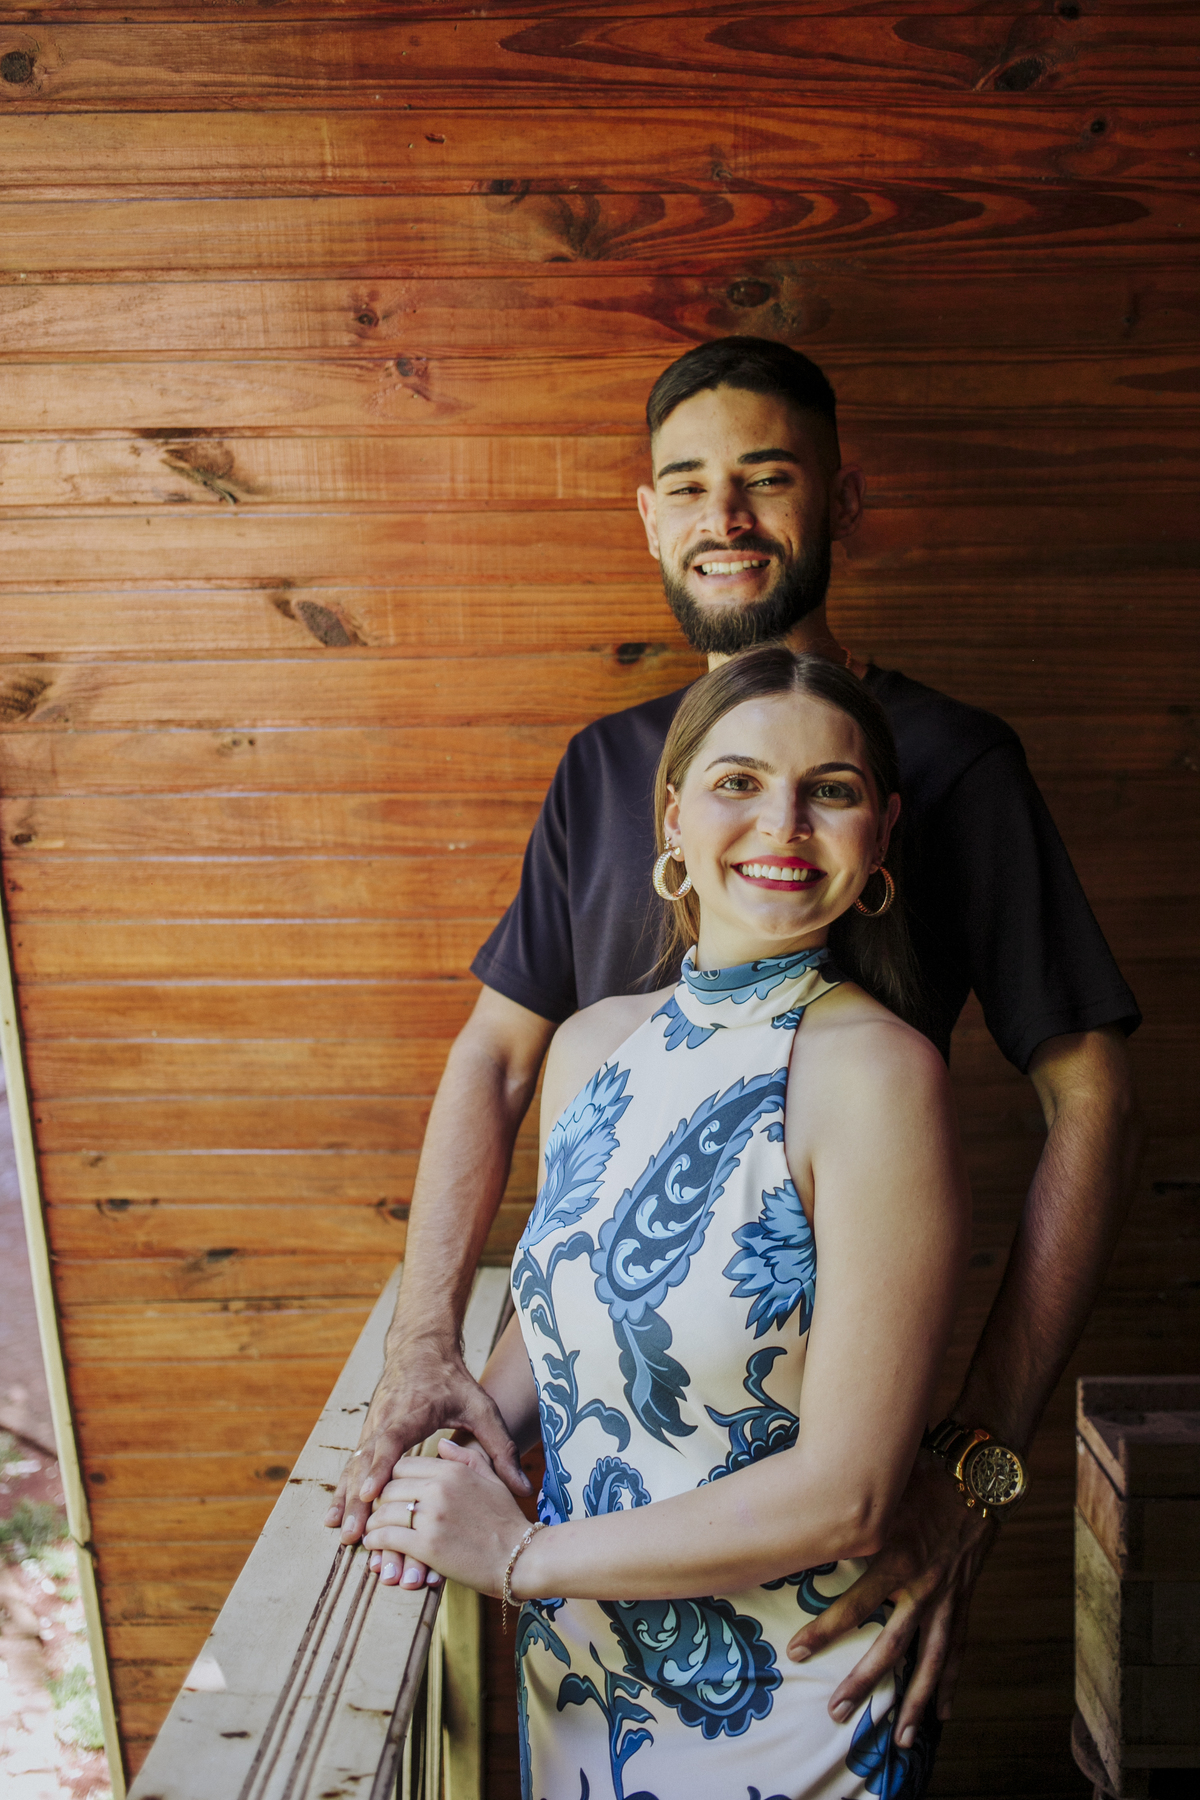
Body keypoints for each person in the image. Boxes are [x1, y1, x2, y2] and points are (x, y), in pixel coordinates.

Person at [327, 337, 1142, 1748]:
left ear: (841, 499)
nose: (729, 517)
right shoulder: (605, 772)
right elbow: (497, 1063)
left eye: (767, 478)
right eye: (692, 486)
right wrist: (429, 1352)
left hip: (805, 1550)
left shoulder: (952, 768)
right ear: (649, 516)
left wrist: (974, 1463)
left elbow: (1096, 1104)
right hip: (592, 1583)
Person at [364, 649, 970, 1799]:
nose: (783, 823)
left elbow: (848, 1495)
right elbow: (567, 1314)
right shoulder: (590, 1044)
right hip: (579, 1681)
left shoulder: (881, 1078)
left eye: (830, 790)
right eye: (740, 782)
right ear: (674, 815)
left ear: (880, 832)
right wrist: (453, 1435)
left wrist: (517, 1554)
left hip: (789, 1711)